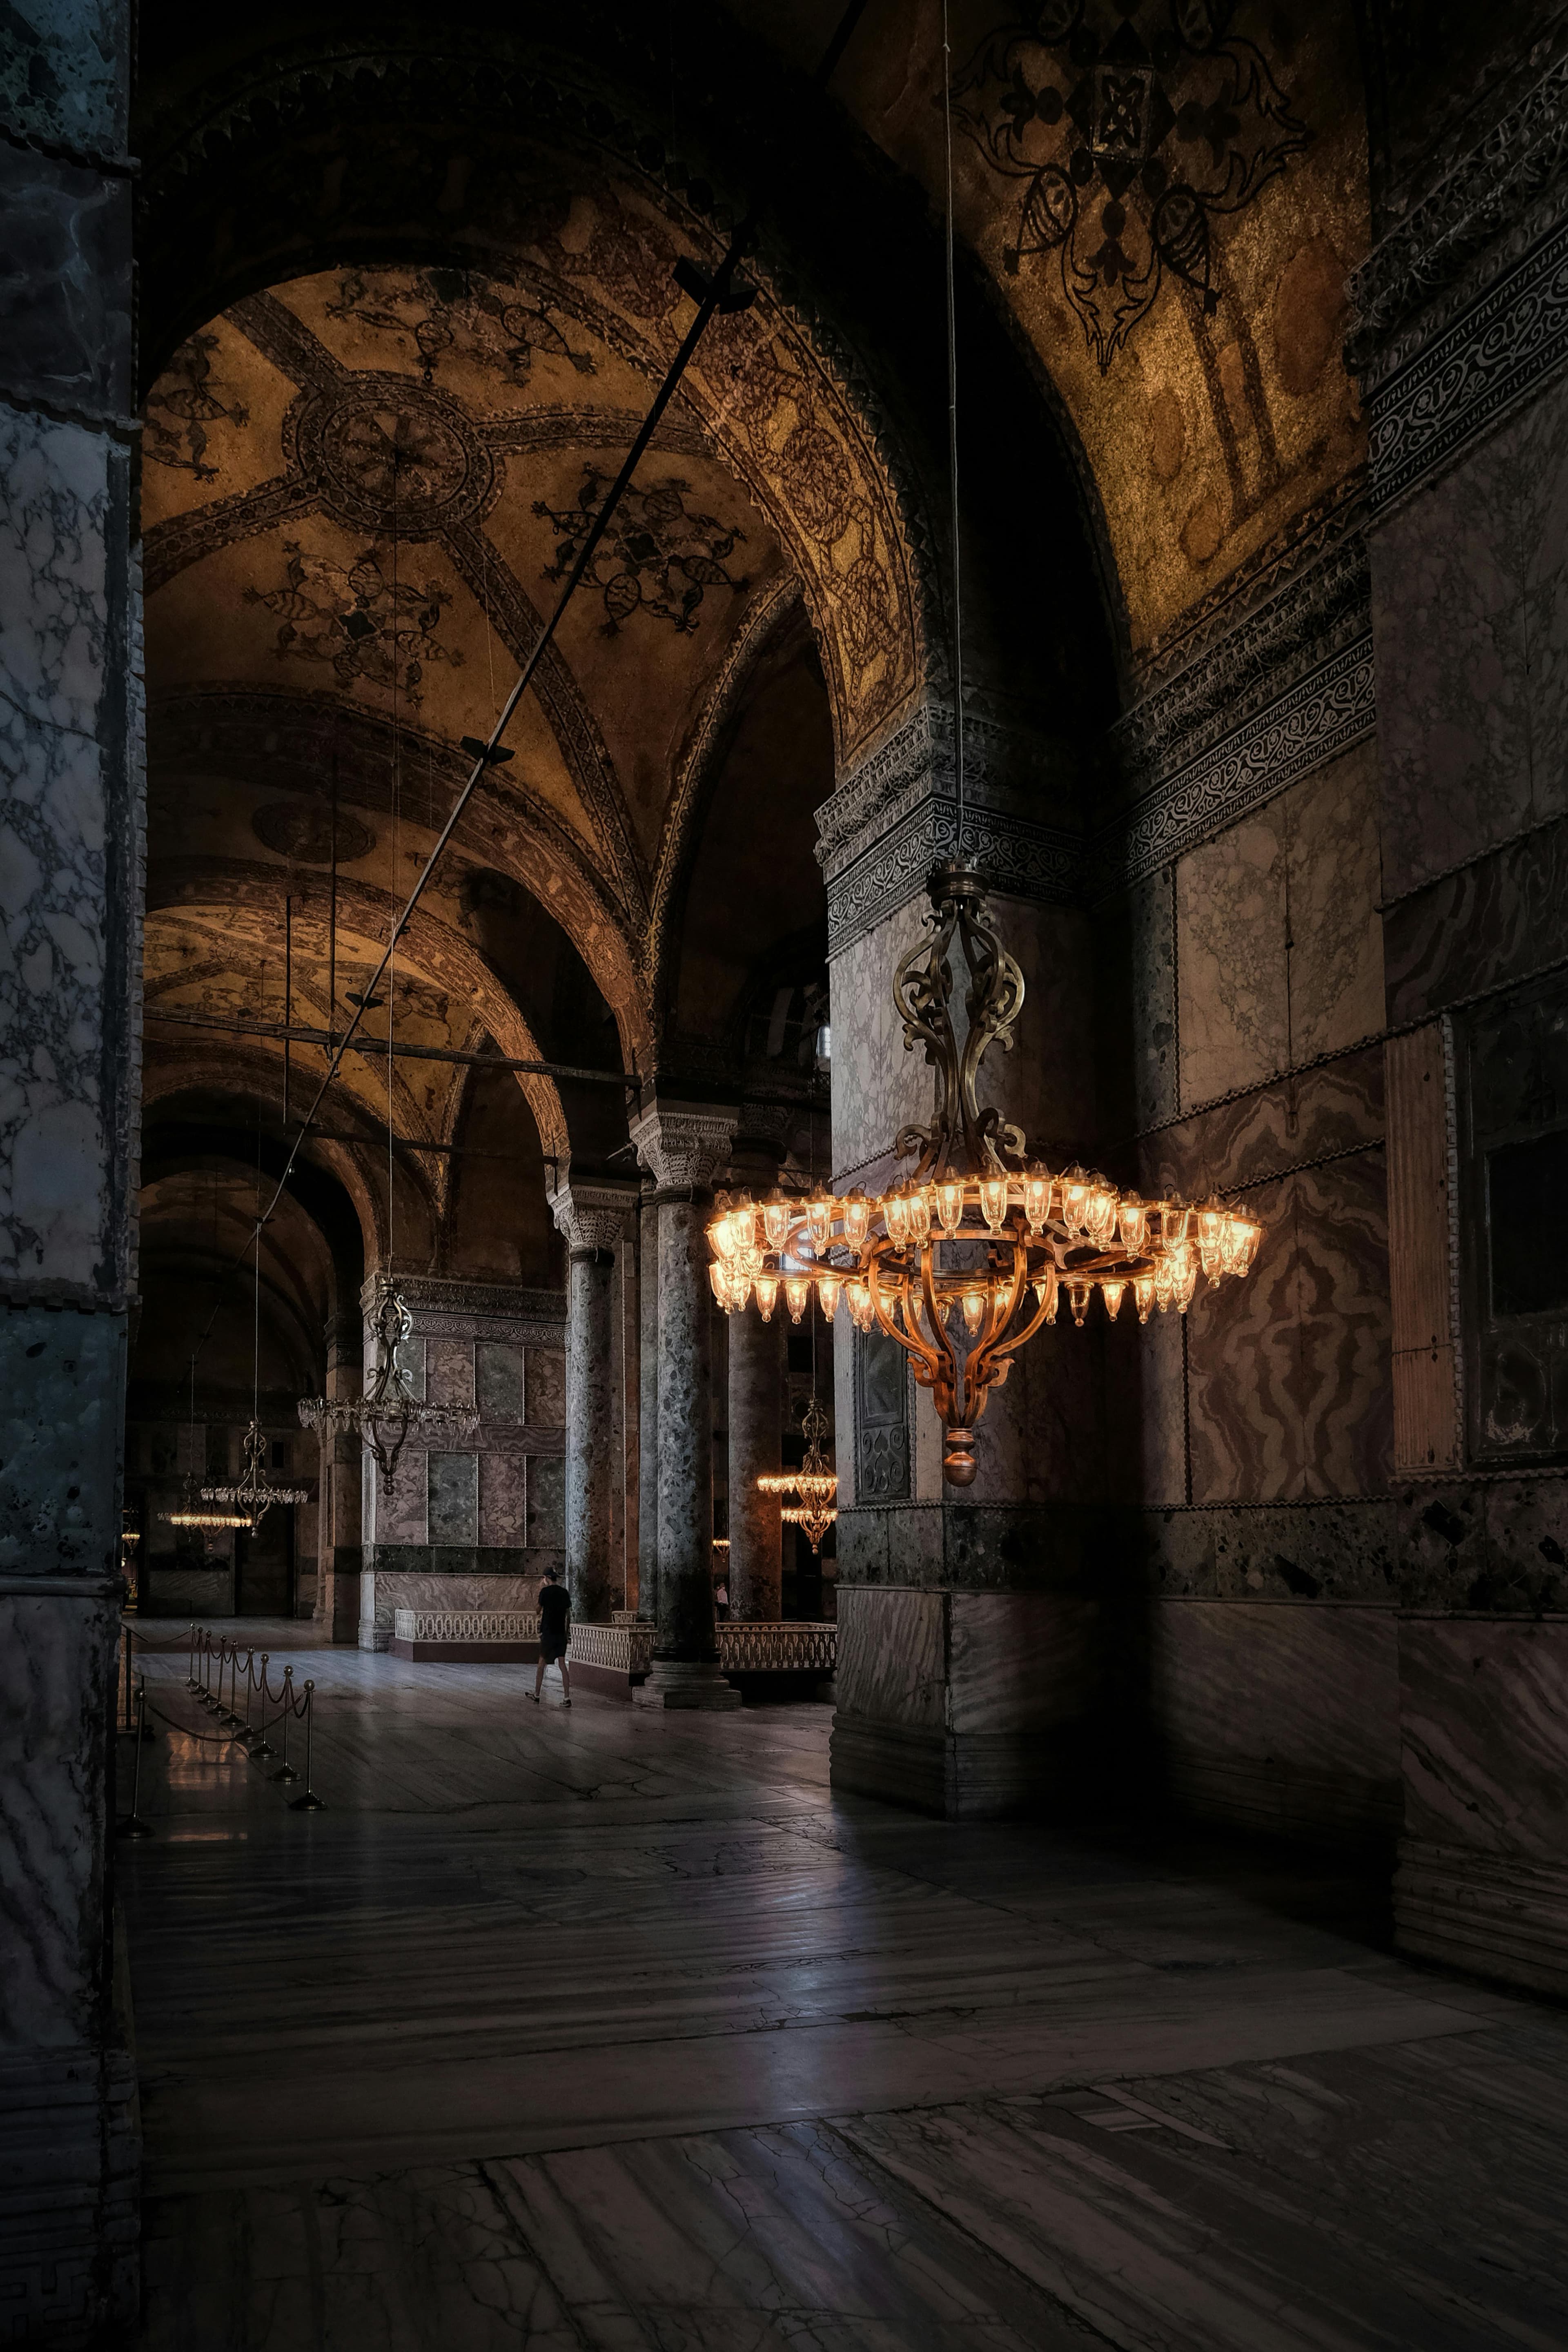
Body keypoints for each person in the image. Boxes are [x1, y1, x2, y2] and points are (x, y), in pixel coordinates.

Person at [530, 1565, 571, 1706]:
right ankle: (567, 1698)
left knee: (542, 1664)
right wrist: (566, 1632)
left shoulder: (545, 1592)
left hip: (548, 1632)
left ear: (546, 1578)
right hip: (561, 1633)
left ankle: (537, 1694)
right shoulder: (564, 1593)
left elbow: (537, 1611)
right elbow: (568, 1615)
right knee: (562, 1664)